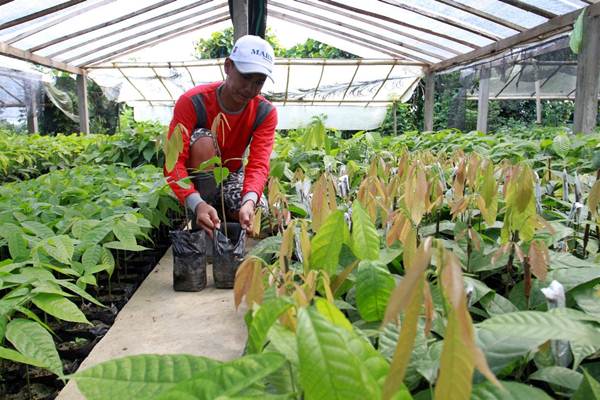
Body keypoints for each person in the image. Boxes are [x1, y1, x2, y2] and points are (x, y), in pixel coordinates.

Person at [164, 35, 277, 235]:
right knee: (203, 140)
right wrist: (196, 202)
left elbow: (258, 163)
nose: (250, 89)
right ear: (228, 66)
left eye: (258, 82)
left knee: (261, 215)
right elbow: (173, 164)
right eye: (245, 77)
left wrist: (249, 201)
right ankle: (202, 214)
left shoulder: (264, 112)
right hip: (198, 178)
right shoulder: (193, 101)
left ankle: (222, 215)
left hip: (232, 174)